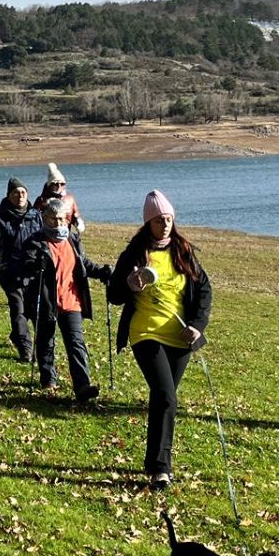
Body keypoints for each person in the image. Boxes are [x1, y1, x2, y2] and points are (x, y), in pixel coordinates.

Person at [105, 190, 214, 489]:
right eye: (158, 220)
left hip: (180, 335)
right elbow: (114, 295)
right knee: (166, 395)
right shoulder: (135, 253)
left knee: (163, 400)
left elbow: (204, 291)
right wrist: (129, 284)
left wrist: (198, 325)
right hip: (146, 332)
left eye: (168, 219)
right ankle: (160, 468)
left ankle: (155, 460)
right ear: (147, 223)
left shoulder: (183, 250)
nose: (164, 225)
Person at [29, 200, 109, 401]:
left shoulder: (72, 240)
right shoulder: (35, 242)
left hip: (72, 300)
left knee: (76, 342)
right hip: (47, 300)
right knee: (46, 341)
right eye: (53, 219)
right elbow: (24, 267)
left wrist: (102, 272)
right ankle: (48, 378)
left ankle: (82, 386)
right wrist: (33, 266)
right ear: (44, 218)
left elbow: (84, 264)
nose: (58, 223)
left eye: (62, 219)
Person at [0, 178, 42, 361]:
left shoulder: (35, 215)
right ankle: (26, 349)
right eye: (15, 192)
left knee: (35, 312)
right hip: (10, 272)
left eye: (23, 192)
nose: (20, 195)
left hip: (34, 272)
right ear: (8, 196)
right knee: (18, 310)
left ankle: (33, 343)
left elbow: (46, 238)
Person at [36, 162, 84, 235]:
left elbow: (75, 214)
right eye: (55, 184)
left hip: (65, 234)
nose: (59, 186)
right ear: (49, 185)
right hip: (46, 236)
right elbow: (34, 218)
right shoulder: (41, 200)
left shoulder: (70, 199)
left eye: (62, 184)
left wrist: (78, 221)